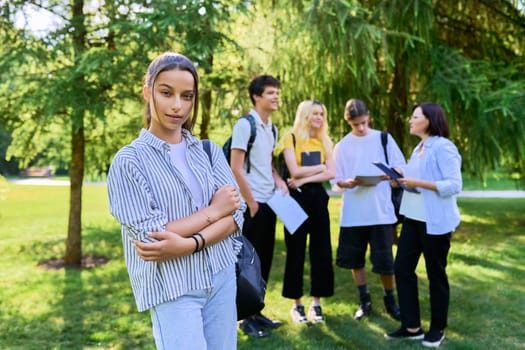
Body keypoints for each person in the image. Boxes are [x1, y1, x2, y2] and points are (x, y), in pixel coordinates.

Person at [107, 52, 245, 350]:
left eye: (187, 96)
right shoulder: (129, 161)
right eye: (166, 92)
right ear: (148, 91)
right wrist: (214, 211)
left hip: (221, 277)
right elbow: (151, 237)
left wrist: (188, 243)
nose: (177, 106)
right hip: (174, 287)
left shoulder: (208, 151)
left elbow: (238, 215)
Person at [385, 102, 462, 348]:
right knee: (402, 268)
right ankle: (412, 326)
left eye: (414, 116)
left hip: (435, 221)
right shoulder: (419, 147)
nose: (410, 120)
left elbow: (453, 184)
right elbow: (415, 182)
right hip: (413, 217)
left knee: (435, 273)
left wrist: (419, 182)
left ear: (428, 120)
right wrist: (400, 181)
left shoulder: (444, 147)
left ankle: (437, 328)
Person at [331, 98, 404, 321]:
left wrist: (391, 174)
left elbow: (401, 166)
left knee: (385, 262)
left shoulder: (383, 138)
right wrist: (347, 183)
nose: (361, 128)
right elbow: (335, 180)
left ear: (369, 117)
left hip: (380, 211)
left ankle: (390, 301)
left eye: (363, 122)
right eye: (355, 125)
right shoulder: (342, 146)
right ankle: (364, 301)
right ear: (348, 122)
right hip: (354, 213)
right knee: (356, 260)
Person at [230, 75, 288, 337]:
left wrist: (279, 181)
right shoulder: (245, 124)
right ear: (256, 97)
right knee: (246, 264)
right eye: (270, 93)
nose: (276, 97)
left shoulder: (271, 128)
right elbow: (236, 167)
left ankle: (257, 312)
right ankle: (244, 319)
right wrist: (251, 202)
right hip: (250, 204)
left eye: (277, 92)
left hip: (268, 202)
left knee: (263, 261)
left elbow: (268, 163)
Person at [281, 100, 335, 324]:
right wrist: (319, 168)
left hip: (318, 199)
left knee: (321, 251)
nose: (319, 118)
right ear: (304, 115)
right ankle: (297, 305)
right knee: (295, 251)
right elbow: (293, 170)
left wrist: (312, 174)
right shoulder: (290, 137)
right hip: (295, 200)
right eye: (314, 114)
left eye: (321, 114)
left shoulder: (325, 140)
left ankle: (316, 303)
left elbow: (331, 173)